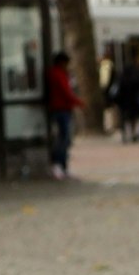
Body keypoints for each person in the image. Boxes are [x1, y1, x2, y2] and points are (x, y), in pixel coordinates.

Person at [45, 52, 83, 180]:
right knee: (63, 138)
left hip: (62, 108)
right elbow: (65, 92)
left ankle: (62, 166)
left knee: (64, 138)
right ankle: (58, 164)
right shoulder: (58, 74)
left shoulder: (59, 74)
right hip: (61, 109)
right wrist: (79, 102)